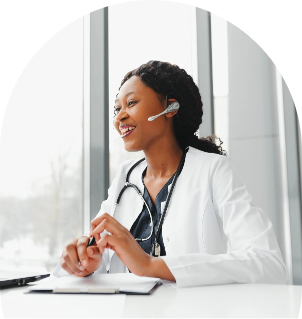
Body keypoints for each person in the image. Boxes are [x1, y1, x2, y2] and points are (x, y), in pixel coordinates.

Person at [57, 61, 288, 287]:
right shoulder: (125, 176)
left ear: (171, 108)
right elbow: (100, 252)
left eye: (132, 103)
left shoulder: (213, 170)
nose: (119, 118)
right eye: (118, 108)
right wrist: (85, 261)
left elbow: (268, 264)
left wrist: (150, 265)